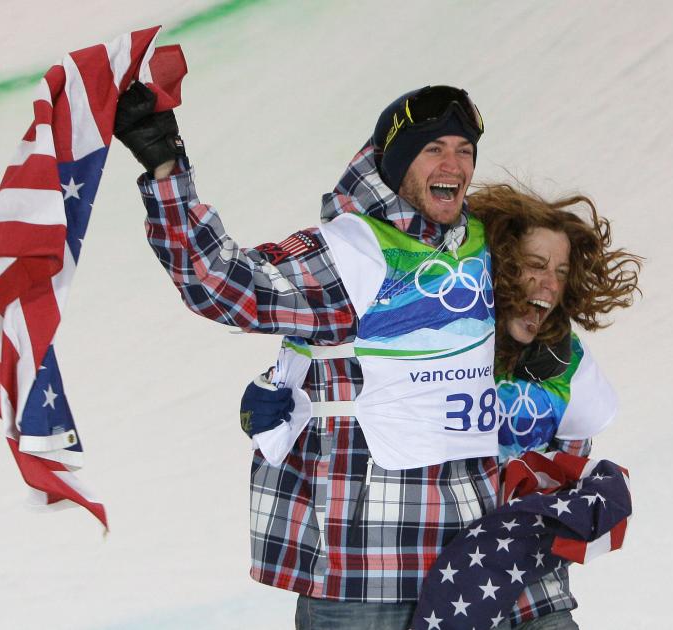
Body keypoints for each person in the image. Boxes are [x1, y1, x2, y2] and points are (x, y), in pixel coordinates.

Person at [114, 83, 529, 629]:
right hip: (368, 570)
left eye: (465, 149)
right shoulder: (350, 254)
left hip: (473, 565)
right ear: (396, 161)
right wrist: (166, 166)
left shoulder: (483, 243)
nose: (453, 163)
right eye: (433, 149)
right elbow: (218, 281)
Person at [242, 184, 642, 628]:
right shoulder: (422, 330)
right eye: (534, 265)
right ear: (499, 266)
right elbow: (331, 385)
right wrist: (272, 398)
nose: (549, 284)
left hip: (524, 591)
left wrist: (573, 499)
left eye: (562, 272)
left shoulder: (565, 365)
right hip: (402, 578)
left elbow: (567, 464)